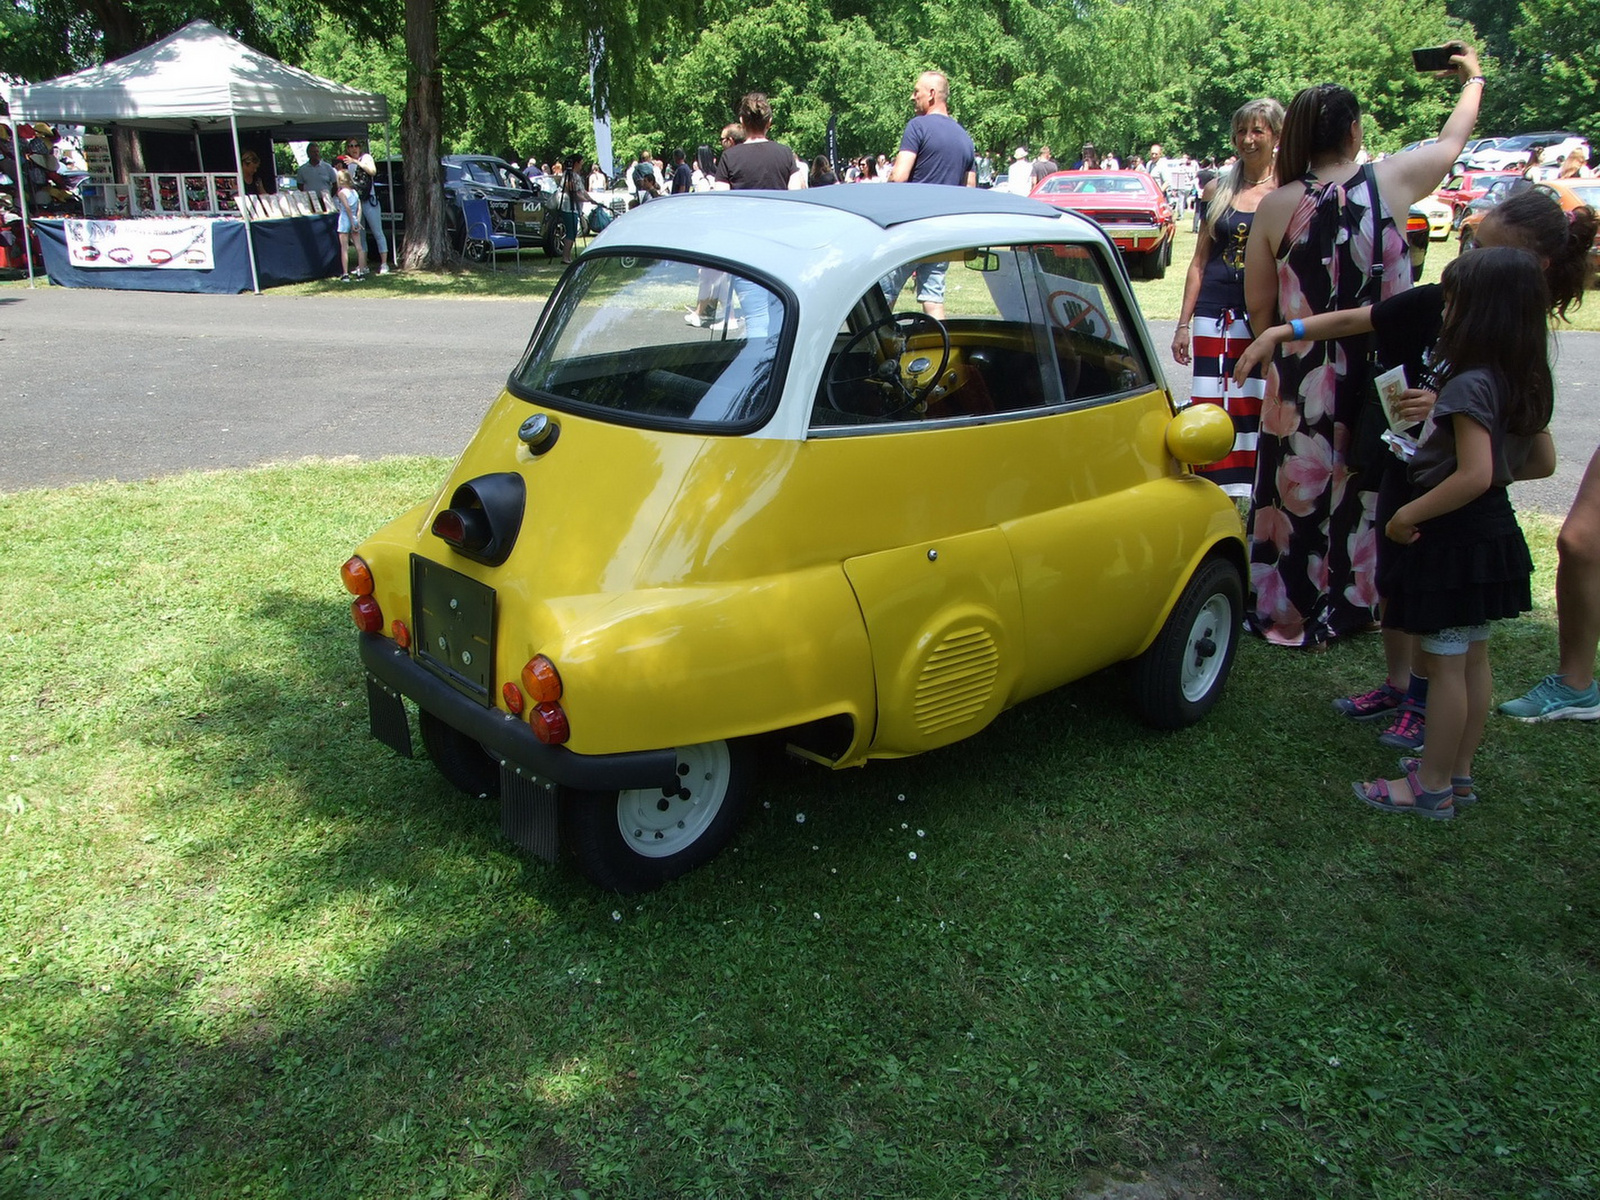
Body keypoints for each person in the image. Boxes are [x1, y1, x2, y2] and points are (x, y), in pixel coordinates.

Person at [1236, 184, 1600, 742]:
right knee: (1398, 589)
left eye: (1483, 250)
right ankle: (1403, 687)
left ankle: (1431, 727)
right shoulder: (1456, 304)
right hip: (1414, 482)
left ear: (1532, 267)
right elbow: (1365, 317)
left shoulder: (1508, 351)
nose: (1466, 259)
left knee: (1447, 633)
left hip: (1445, 511)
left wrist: (1457, 421)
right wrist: (1287, 331)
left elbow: (1530, 455)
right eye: (1471, 243)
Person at [1240, 49, 1484, 649]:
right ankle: (1357, 602)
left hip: (1301, 370)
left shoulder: (1275, 206)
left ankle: (1287, 602)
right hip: (1385, 369)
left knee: (1293, 489)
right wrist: (1473, 77)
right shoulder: (1394, 182)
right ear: (1355, 131)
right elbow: (1454, 141)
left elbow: (1259, 309)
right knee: (1372, 483)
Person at [1353, 248, 1555, 817]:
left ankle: (1431, 784)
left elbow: (1474, 475)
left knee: (1443, 663)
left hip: (1449, 537)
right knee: (1472, 660)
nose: (1446, 313)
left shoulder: (1466, 386)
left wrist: (1406, 515)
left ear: (1481, 312)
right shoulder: (1527, 378)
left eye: (1454, 301)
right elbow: (1540, 462)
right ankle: (1457, 772)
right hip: (1493, 536)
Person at [1170, 97, 1285, 501]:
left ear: (1276, 135)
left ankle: (1254, 485)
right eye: (1241, 131)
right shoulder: (1218, 189)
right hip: (1211, 310)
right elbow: (1199, 261)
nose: (1247, 139)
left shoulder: (1286, 190)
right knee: (1210, 396)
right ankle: (1211, 484)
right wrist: (1183, 323)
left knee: (1254, 396)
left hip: (1261, 313)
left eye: (1258, 130)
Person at [883, 69, 975, 320]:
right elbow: (970, 190)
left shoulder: (917, 127)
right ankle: (942, 349)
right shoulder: (965, 138)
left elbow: (899, 176)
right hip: (942, 235)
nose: (912, 97)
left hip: (910, 230)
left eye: (917, 92)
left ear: (932, 94)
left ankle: (873, 354)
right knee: (934, 300)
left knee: (881, 297)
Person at [713, 92, 805, 191]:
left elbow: (721, 197)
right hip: (777, 207)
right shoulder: (785, 153)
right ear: (769, 122)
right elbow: (796, 191)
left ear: (742, 121)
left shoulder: (728, 157)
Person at [339, 138, 390, 273]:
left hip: (369, 200)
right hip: (356, 201)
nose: (354, 148)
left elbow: (372, 171)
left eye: (356, 145)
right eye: (351, 146)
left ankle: (384, 263)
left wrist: (357, 162)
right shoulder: (347, 164)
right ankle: (363, 265)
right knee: (359, 233)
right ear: (347, 149)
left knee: (377, 231)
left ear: (360, 147)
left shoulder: (366, 158)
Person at [555, 153, 597, 265]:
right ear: (576, 163)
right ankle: (565, 257)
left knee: (572, 231)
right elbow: (574, 193)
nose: (582, 165)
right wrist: (586, 200)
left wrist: (590, 199)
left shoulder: (573, 176)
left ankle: (567, 256)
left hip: (572, 207)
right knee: (571, 232)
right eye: (581, 162)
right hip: (569, 207)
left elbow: (582, 192)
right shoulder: (570, 176)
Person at [334, 168, 366, 281]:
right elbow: (359, 207)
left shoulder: (341, 193)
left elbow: (346, 207)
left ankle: (345, 273)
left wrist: (352, 223)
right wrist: (357, 220)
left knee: (344, 248)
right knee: (359, 247)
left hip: (345, 219)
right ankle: (361, 272)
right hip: (354, 218)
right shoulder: (354, 192)